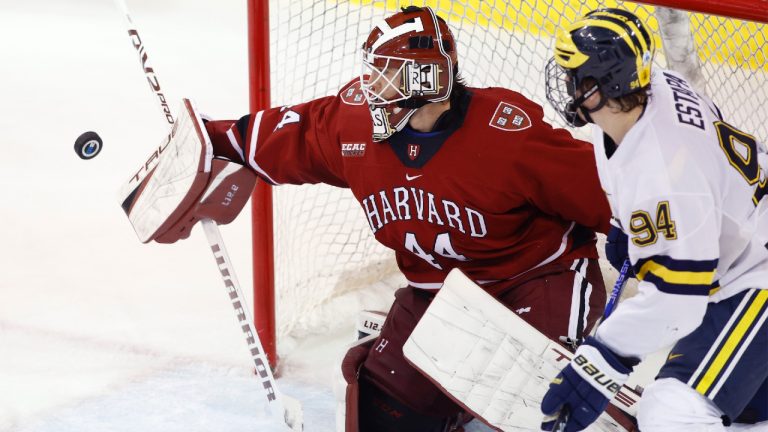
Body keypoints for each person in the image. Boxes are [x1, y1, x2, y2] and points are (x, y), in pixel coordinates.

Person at [122, 6, 612, 431]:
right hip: (437, 294)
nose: (370, 87)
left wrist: (650, 243)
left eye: (388, 75)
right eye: (373, 71)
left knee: (529, 403)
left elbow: (609, 194)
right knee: (383, 413)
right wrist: (211, 143)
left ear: (427, 81)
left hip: (532, 282)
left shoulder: (507, 134)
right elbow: (288, 136)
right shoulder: (353, 124)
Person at [541, 7, 768, 432]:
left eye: (575, 76)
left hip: (756, 273)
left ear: (602, 86)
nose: (566, 85)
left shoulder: (664, 175)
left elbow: (679, 303)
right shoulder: (650, 91)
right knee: (747, 414)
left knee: (672, 412)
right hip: (746, 236)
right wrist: (627, 225)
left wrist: (606, 354)